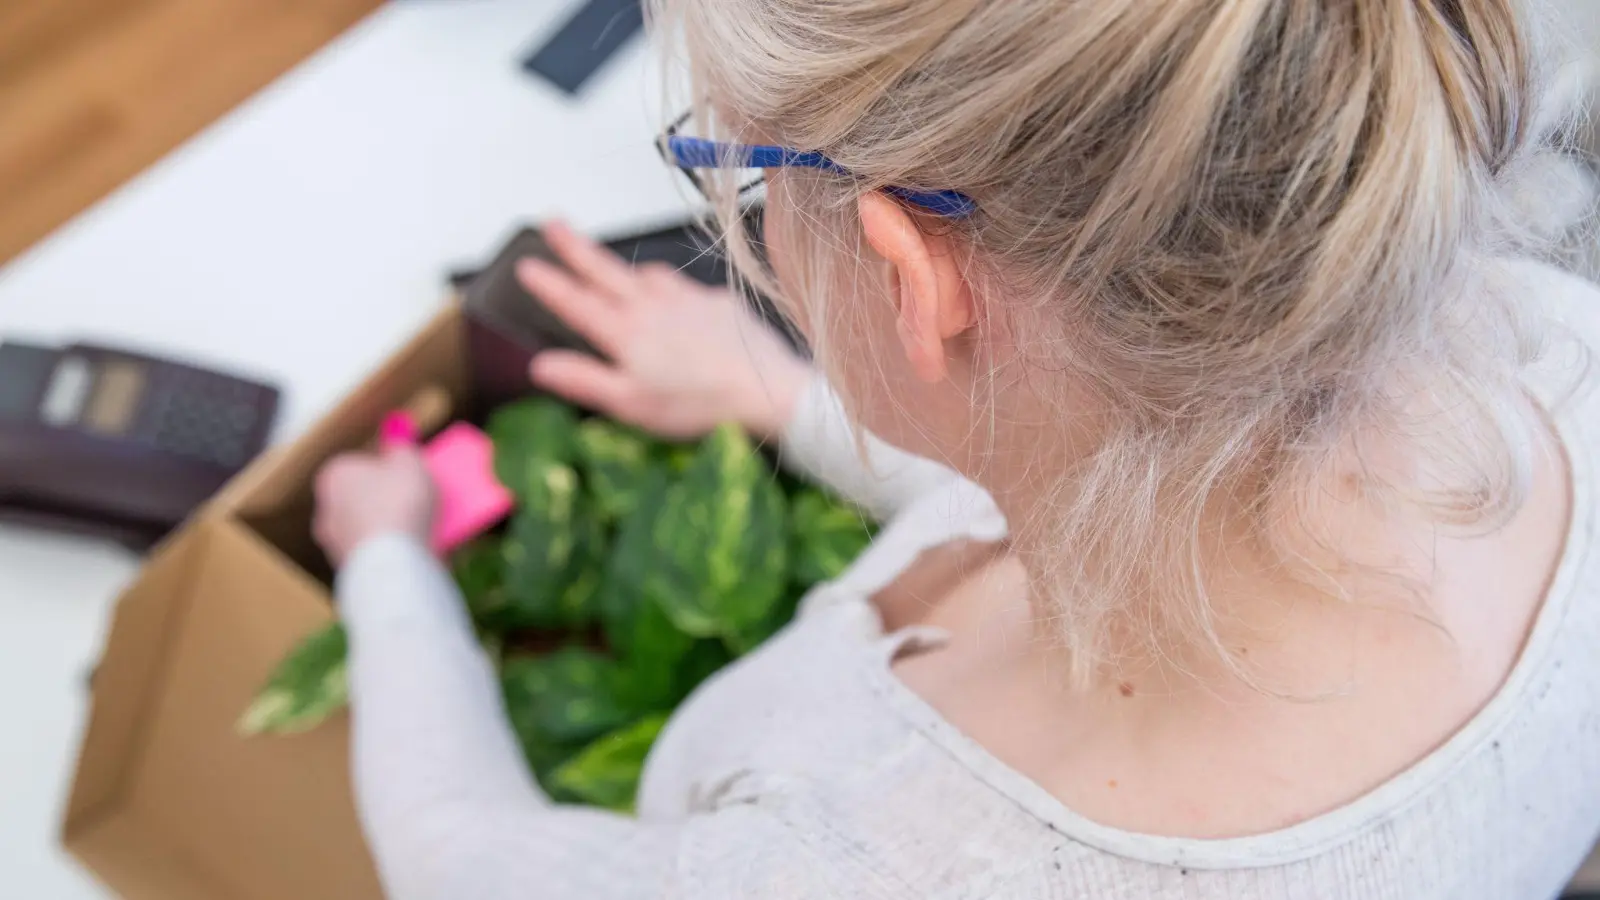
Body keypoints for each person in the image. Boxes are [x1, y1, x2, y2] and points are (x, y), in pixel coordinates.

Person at [311, 1, 1600, 897]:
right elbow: (1134, 438)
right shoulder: (1562, 353)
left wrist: (384, 559)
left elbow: (461, 858)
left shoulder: (862, 869)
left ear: (912, 276)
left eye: (745, 176)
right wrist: (779, 396)